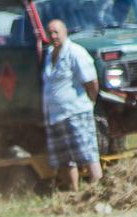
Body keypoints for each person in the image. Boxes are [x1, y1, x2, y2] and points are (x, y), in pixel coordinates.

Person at [42, 19, 102, 192]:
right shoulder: (49, 54)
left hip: (77, 113)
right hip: (55, 116)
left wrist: (90, 102)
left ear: (65, 32)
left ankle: (98, 191)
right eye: (50, 33)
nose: (53, 36)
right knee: (65, 159)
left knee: (88, 154)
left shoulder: (76, 52)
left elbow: (92, 82)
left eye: (56, 32)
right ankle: (74, 194)